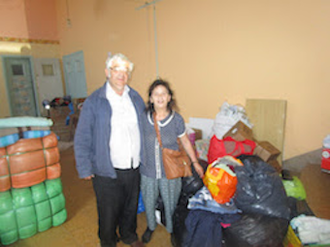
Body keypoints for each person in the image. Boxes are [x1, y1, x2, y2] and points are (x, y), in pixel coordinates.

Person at [74, 53, 145, 247]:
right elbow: (82, 136)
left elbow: (144, 127)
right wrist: (84, 167)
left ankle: (129, 235)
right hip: (107, 168)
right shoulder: (95, 101)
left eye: (125, 71)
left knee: (130, 206)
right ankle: (107, 241)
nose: (121, 75)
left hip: (133, 165)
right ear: (107, 72)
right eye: (116, 70)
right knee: (108, 210)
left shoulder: (135, 97)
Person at [140, 79, 204, 245]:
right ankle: (151, 227)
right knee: (149, 200)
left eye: (163, 93)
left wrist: (195, 161)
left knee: (170, 202)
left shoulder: (176, 120)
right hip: (148, 170)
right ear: (151, 98)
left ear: (169, 98)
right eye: (156, 94)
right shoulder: (143, 117)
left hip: (170, 171)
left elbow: (185, 141)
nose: (160, 97)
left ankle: (171, 229)